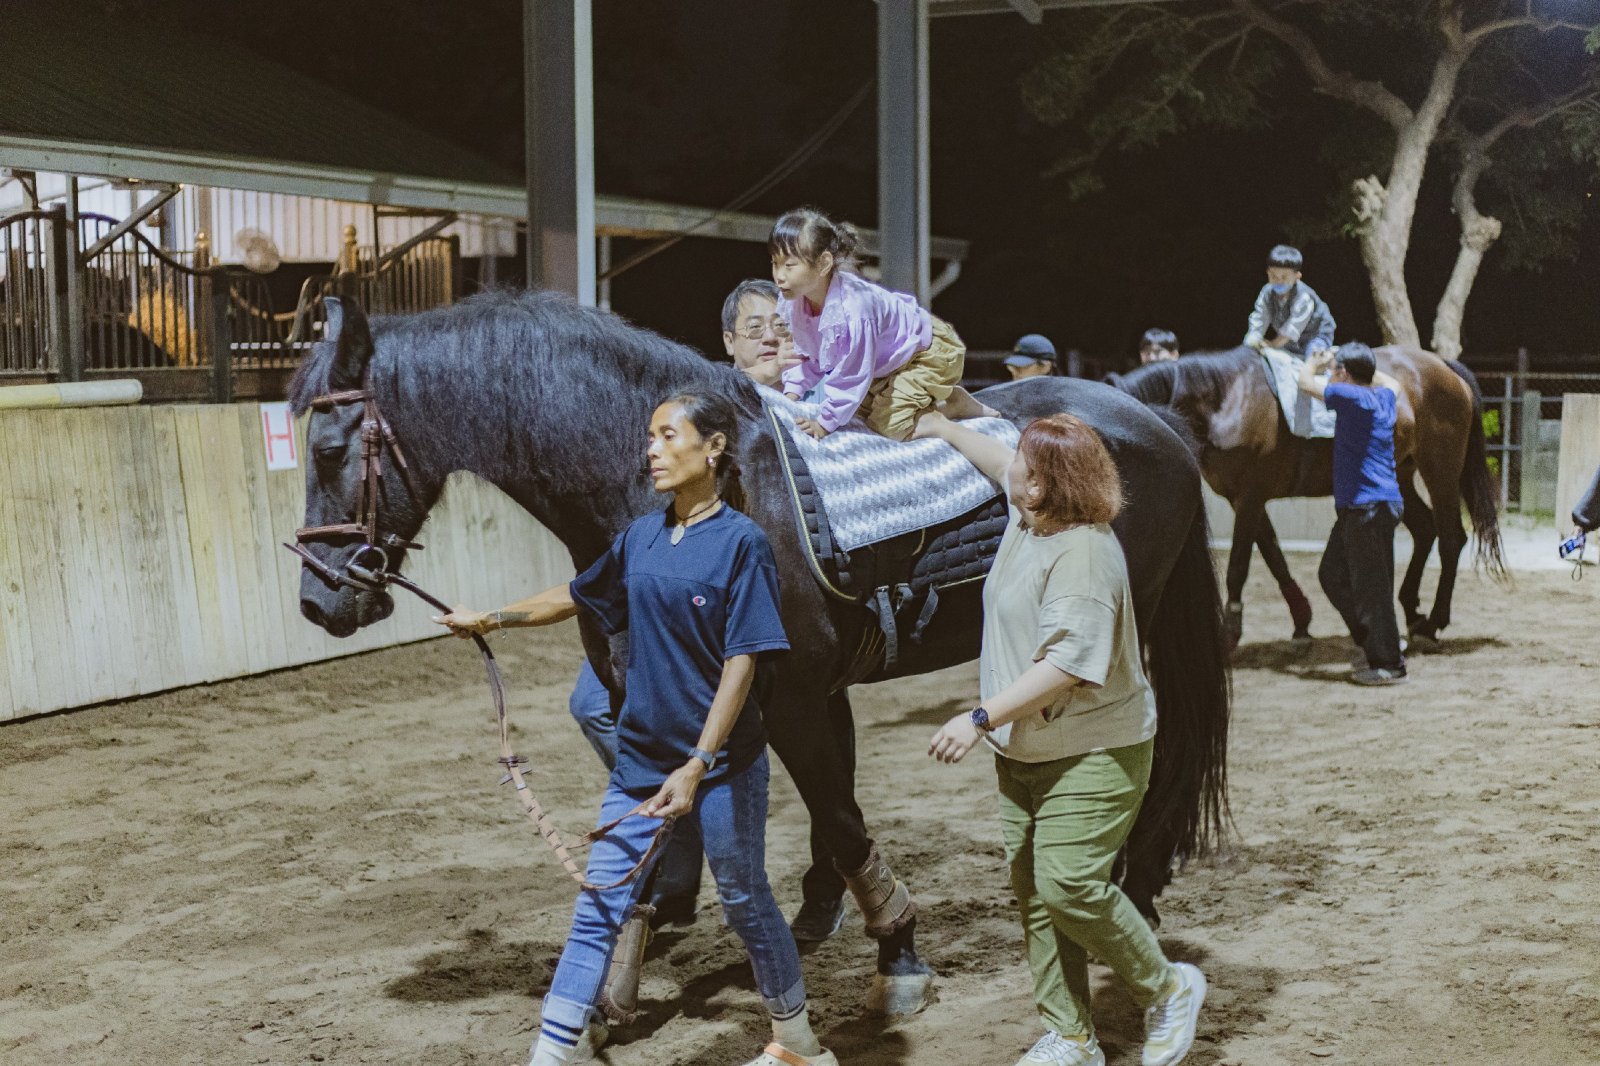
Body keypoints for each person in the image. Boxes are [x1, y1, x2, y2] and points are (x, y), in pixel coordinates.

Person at [437, 392, 837, 1066]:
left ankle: (799, 1044)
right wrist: (492, 618)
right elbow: (575, 595)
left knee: (743, 900)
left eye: (667, 435)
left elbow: (742, 661)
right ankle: (552, 1051)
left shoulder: (742, 543)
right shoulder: (641, 536)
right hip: (640, 762)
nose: (652, 449)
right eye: (649, 437)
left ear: (713, 447)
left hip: (721, 767)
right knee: (599, 904)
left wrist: (698, 762)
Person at [913, 409, 1208, 1066]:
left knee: (1069, 885)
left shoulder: (1085, 556)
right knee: (1037, 898)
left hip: (1093, 753)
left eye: (1023, 459)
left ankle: (1168, 987)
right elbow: (995, 461)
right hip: (1026, 752)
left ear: (1043, 483)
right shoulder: (1028, 518)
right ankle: (1071, 1037)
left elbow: (1067, 667)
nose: (1011, 464)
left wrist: (979, 718)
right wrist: (943, 426)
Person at [770, 205, 995, 441]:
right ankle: (939, 403)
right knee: (858, 417)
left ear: (823, 263)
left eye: (789, 265)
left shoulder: (853, 308)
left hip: (924, 352)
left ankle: (952, 406)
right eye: (775, 263)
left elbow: (852, 375)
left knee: (889, 427)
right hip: (886, 366)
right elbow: (807, 354)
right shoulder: (796, 302)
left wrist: (823, 425)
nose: (779, 275)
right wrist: (791, 395)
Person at [1297, 343, 1407, 685]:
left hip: (1367, 508)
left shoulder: (1350, 396)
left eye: (1336, 370)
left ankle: (1390, 663)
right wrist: (1362, 365)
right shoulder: (1382, 397)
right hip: (1366, 507)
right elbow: (1394, 383)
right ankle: (1373, 641)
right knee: (1331, 575)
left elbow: (1305, 383)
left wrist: (1315, 362)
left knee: (1373, 590)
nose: (1332, 374)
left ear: (1344, 374)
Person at [1243, 245, 1335, 358]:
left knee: (1313, 357)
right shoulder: (1266, 292)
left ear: (1297, 276)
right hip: (1289, 341)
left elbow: (1292, 328)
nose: (1278, 281)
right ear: (1267, 273)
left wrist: (1272, 345)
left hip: (1315, 335)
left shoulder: (1303, 296)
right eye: (1273, 276)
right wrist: (1251, 342)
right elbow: (1259, 318)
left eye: (1284, 277)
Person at [723, 278, 803, 390]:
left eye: (780, 324)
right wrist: (770, 371)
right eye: (755, 326)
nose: (770, 337)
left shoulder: (823, 386)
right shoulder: (711, 394)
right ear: (730, 342)